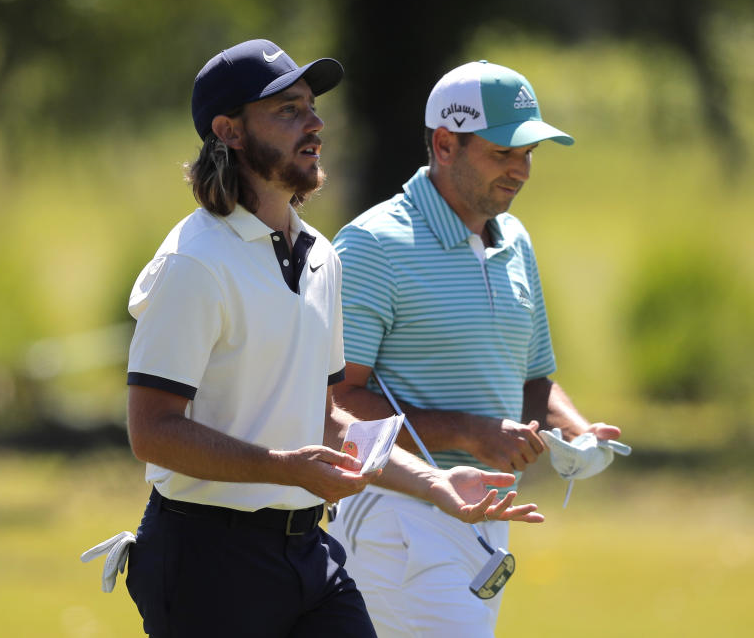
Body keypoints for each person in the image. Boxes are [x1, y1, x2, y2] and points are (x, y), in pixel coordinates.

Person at [122, 42, 543, 638]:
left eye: (312, 108)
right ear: (230, 131)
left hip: (307, 552)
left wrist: (436, 484)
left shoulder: (320, 255)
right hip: (205, 557)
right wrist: (281, 467)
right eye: (288, 110)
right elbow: (152, 431)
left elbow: (327, 419)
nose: (316, 124)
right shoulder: (195, 262)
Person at [329, 60, 624, 637]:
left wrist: (577, 433)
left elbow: (533, 380)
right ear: (445, 144)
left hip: (486, 518)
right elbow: (339, 405)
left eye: (528, 154)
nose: (521, 171)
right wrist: (469, 431)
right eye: (502, 154)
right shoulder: (372, 244)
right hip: (395, 513)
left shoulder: (515, 240)